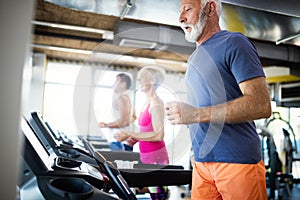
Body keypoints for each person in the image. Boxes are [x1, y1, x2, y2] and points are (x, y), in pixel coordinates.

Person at [165, 0, 272, 199]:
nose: (181, 18)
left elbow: (260, 105)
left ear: (210, 8)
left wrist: (195, 114)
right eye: (180, 11)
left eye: (187, 9)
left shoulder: (234, 42)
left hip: (237, 161)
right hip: (201, 163)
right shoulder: (194, 57)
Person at [114, 66, 169, 200]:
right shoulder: (147, 103)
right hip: (147, 159)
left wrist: (130, 134)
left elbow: (158, 134)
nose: (138, 80)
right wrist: (135, 139)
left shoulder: (156, 103)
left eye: (142, 77)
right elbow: (146, 131)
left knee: (157, 198)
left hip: (157, 161)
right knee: (151, 195)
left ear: (152, 81)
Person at [98, 73, 134, 151]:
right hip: (119, 141)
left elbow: (124, 122)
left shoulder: (123, 98)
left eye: (116, 81)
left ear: (123, 84)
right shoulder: (125, 98)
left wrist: (105, 125)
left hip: (120, 142)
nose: (113, 84)